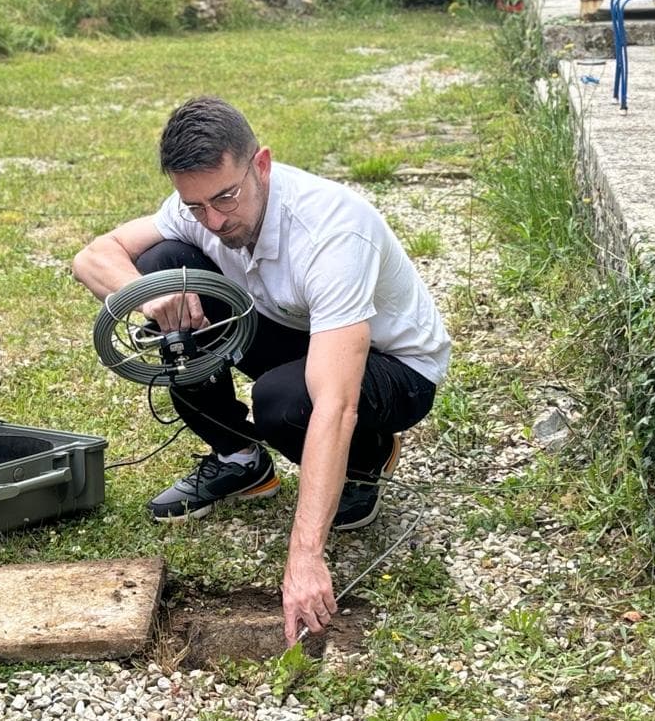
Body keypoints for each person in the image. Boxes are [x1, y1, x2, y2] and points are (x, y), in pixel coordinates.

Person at [72, 97, 450, 646]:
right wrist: (149, 298)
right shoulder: (199, 207)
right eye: (197, 205)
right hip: (286, 323)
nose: (216, 220)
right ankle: (240, 459)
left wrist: (304, 559)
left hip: (395, 366)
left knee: (285, 403)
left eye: (227, 196)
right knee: (158, 266)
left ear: (262, 164)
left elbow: (335, 404)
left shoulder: (332, 232)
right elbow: (92, 257)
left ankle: (368, 459)